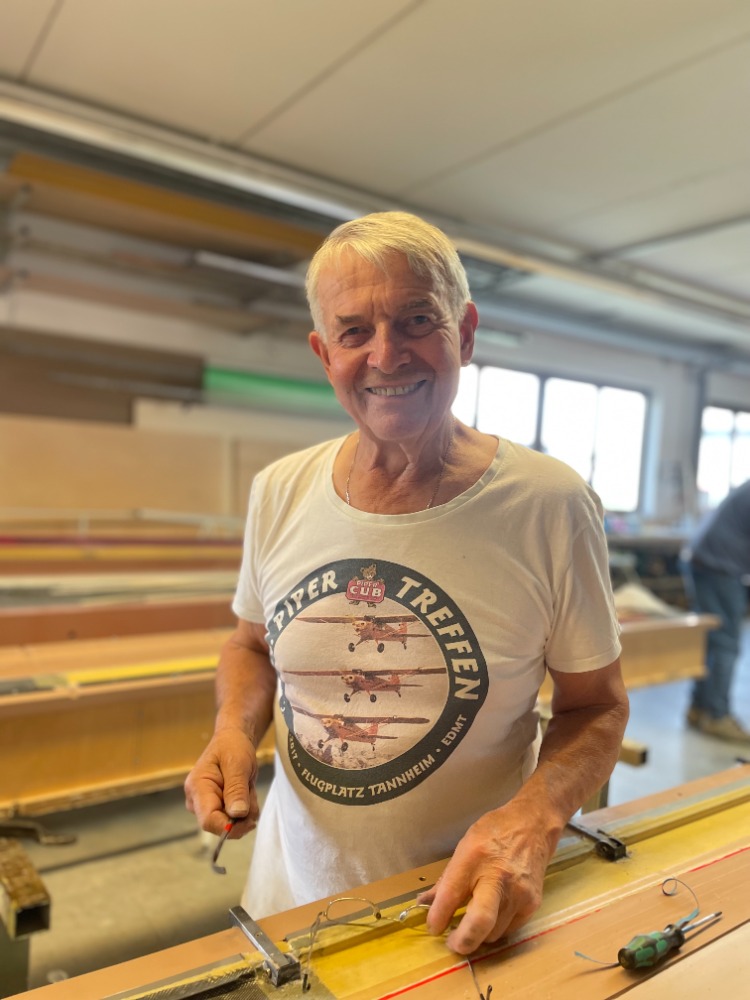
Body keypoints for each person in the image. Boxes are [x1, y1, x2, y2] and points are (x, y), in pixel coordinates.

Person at [184, 211, 629, 956]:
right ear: (324, 353)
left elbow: (598, 706)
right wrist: (233, 730)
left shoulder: (549, 504)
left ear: (466, 331)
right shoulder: (279, 491)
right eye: (354, 332)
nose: (387, 355)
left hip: (456, 909)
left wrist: (535, 819)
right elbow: (251, 646)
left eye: (417, 320)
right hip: (286, 902)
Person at [682, 479, 750, 742]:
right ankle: (717, 715)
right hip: (719, 564)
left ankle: (699, 708)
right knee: (725, 642)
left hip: (706, 558)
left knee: (711, 639)